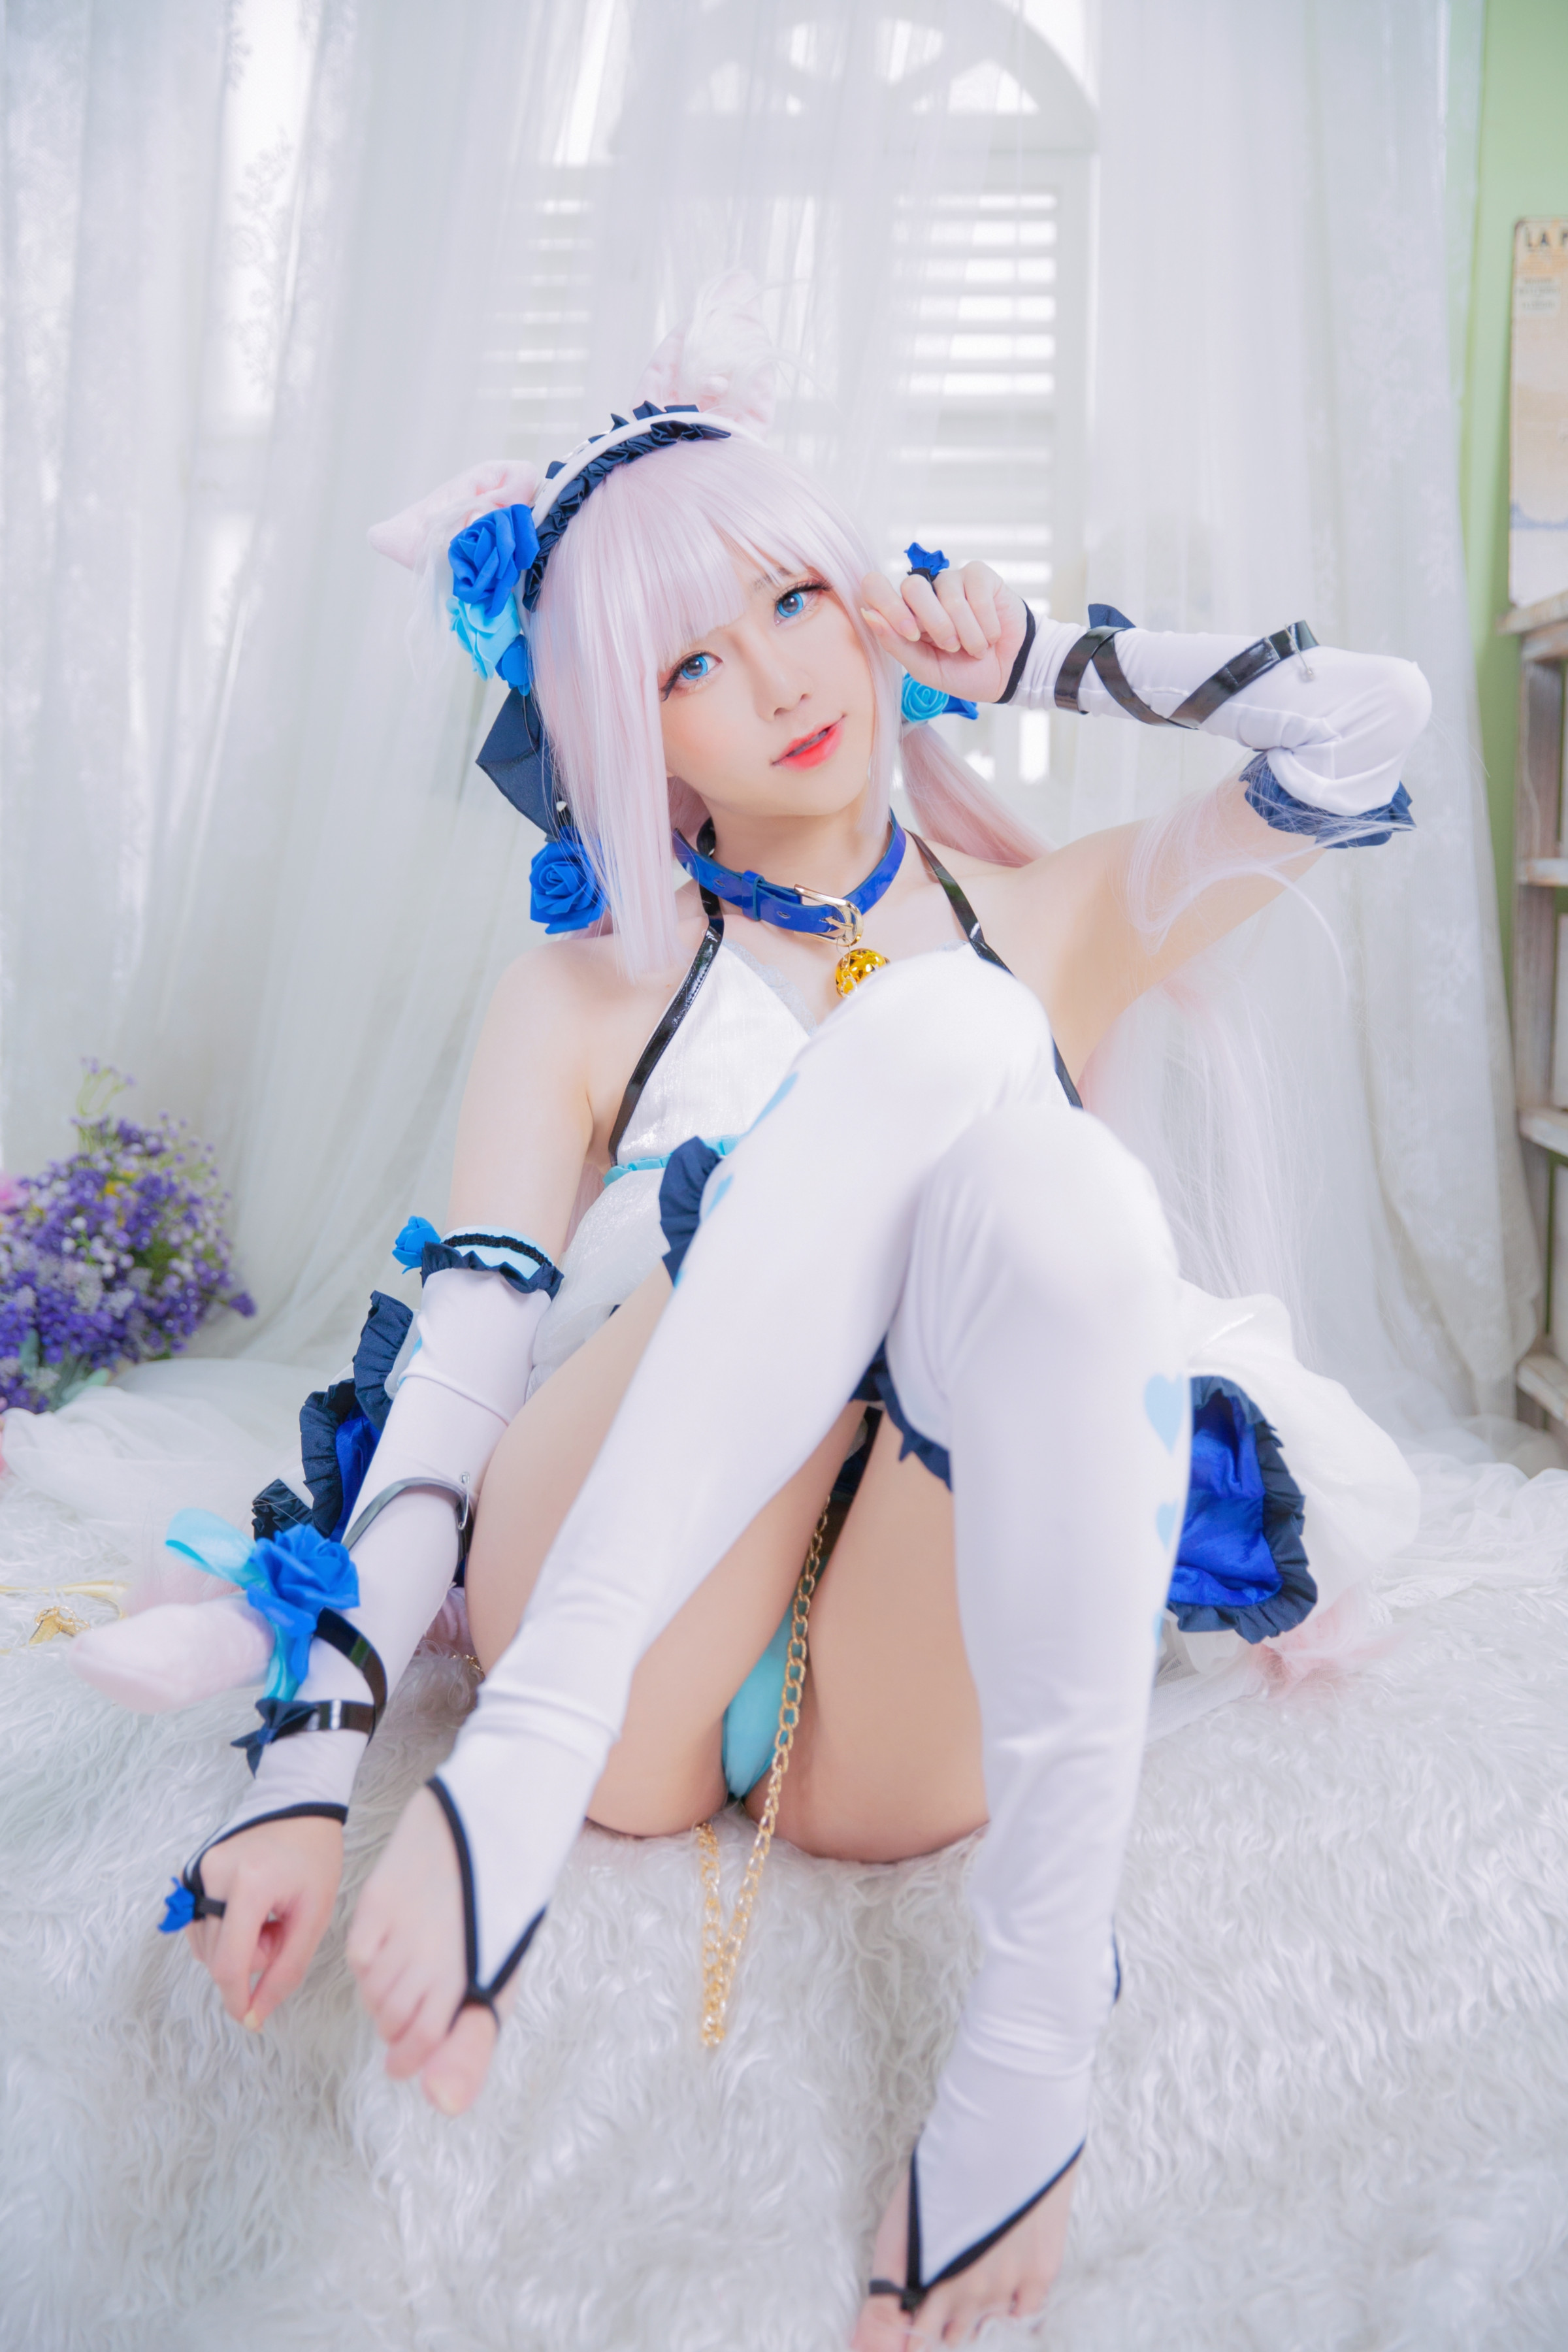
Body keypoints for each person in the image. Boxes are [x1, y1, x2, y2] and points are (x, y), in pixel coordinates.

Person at [73, 278, 1424, 2345]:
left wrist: (1034, 651)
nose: (782, 677)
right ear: (633, 742)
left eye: (799, 600)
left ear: (869, 602)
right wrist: (303, 1775)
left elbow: (1369, 724)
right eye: (688, 661)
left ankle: (1027, 2052)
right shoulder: (579, 995)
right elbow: (451, 1404)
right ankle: (521, 1765)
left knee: (1040, 1162)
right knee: (960, 1040)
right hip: (618, 1642)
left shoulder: (1038, 917)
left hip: (895, 1710)